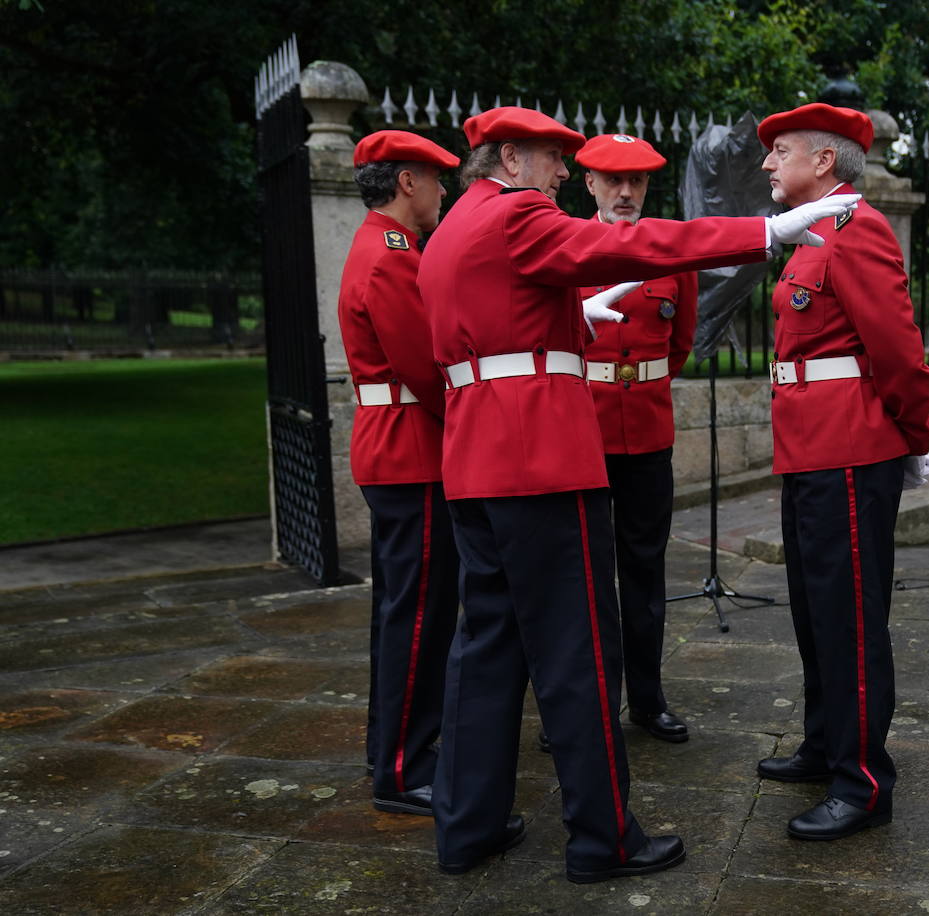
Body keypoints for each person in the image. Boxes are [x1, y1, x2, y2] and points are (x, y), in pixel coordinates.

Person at [416, 106, 857, 882]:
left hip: (477, 458)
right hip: (539, 460)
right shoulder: (516, 214)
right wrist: (765, 232)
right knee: (577, 651)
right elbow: (638, 244)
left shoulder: (455, 225)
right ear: (510, 159)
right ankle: (603, 838)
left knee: (485, 647)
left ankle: (468, 826)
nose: (563, 172)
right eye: (553, 158)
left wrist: (571, 317)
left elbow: (493, 328)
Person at [753, 103, 929, 841]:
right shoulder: (814, 233)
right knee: (813, 609)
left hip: (853, 450)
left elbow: (897, 348)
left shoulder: (858, 229)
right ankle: (826, 744)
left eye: (781, 150)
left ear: (824, 160)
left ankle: (862, 781)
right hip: (811, 448)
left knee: (850, 621)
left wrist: (913, 435)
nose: (767, 162)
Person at [336, 130, 463, 818]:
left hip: (397, 449)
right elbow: (426, 368)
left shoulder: (387, 248)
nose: (443, 191)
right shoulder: (390, 256)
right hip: (412, 451)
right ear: (406, 182)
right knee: (420, 616)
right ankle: (405, 767)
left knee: (401, 611)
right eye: (436, 179)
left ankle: (388, 748)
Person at [575, 133, 695, 744]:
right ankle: (584, 704)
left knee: (645, 573)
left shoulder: (670, 253)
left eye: (637, 181)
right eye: (613, 180)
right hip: (583, 432)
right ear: (589, 184)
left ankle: (647, 700)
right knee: (584, 575)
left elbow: (679, 344)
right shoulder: (566, 245)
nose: (625, 192)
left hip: (647, 431)